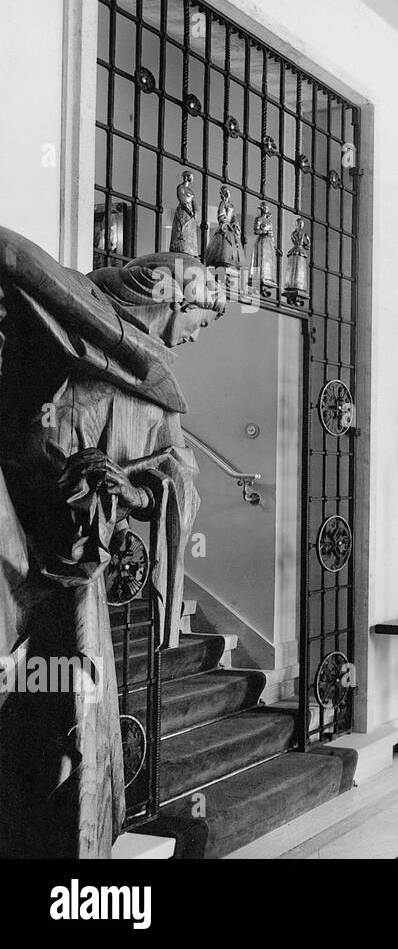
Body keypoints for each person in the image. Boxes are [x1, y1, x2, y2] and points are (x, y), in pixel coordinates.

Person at [0, 226, 225, 858]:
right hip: (23, 545)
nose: (193, 338)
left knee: (71, 709)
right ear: (171, 298)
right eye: (198, 322)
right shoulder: (68, 331)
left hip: (75, 569)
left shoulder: (157, 390)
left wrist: (121, 493)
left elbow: (175, 478)